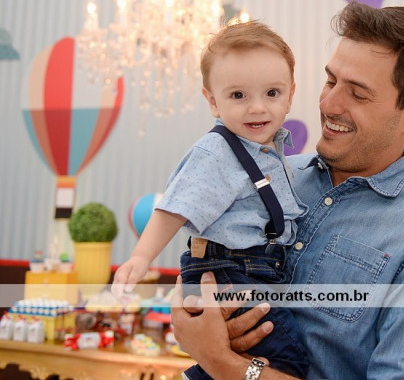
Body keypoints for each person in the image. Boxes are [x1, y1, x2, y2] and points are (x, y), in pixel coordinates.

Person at [170, 0, 404, 380]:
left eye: (358, 94)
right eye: (331, 81)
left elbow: (216, 354)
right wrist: (190, 315)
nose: (328, 103)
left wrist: (222, 361)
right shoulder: (272, 176)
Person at [112, 21, 310, 379]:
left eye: (271, 93)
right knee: (288, 360)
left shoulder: (272, 151)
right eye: (238, 96)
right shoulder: (217, 151)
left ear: (290, 95)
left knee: (248, 351)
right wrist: (141, 257)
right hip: (226, 270)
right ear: (212, 101)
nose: (257, 108)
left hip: (254, 268)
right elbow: (176, 206)